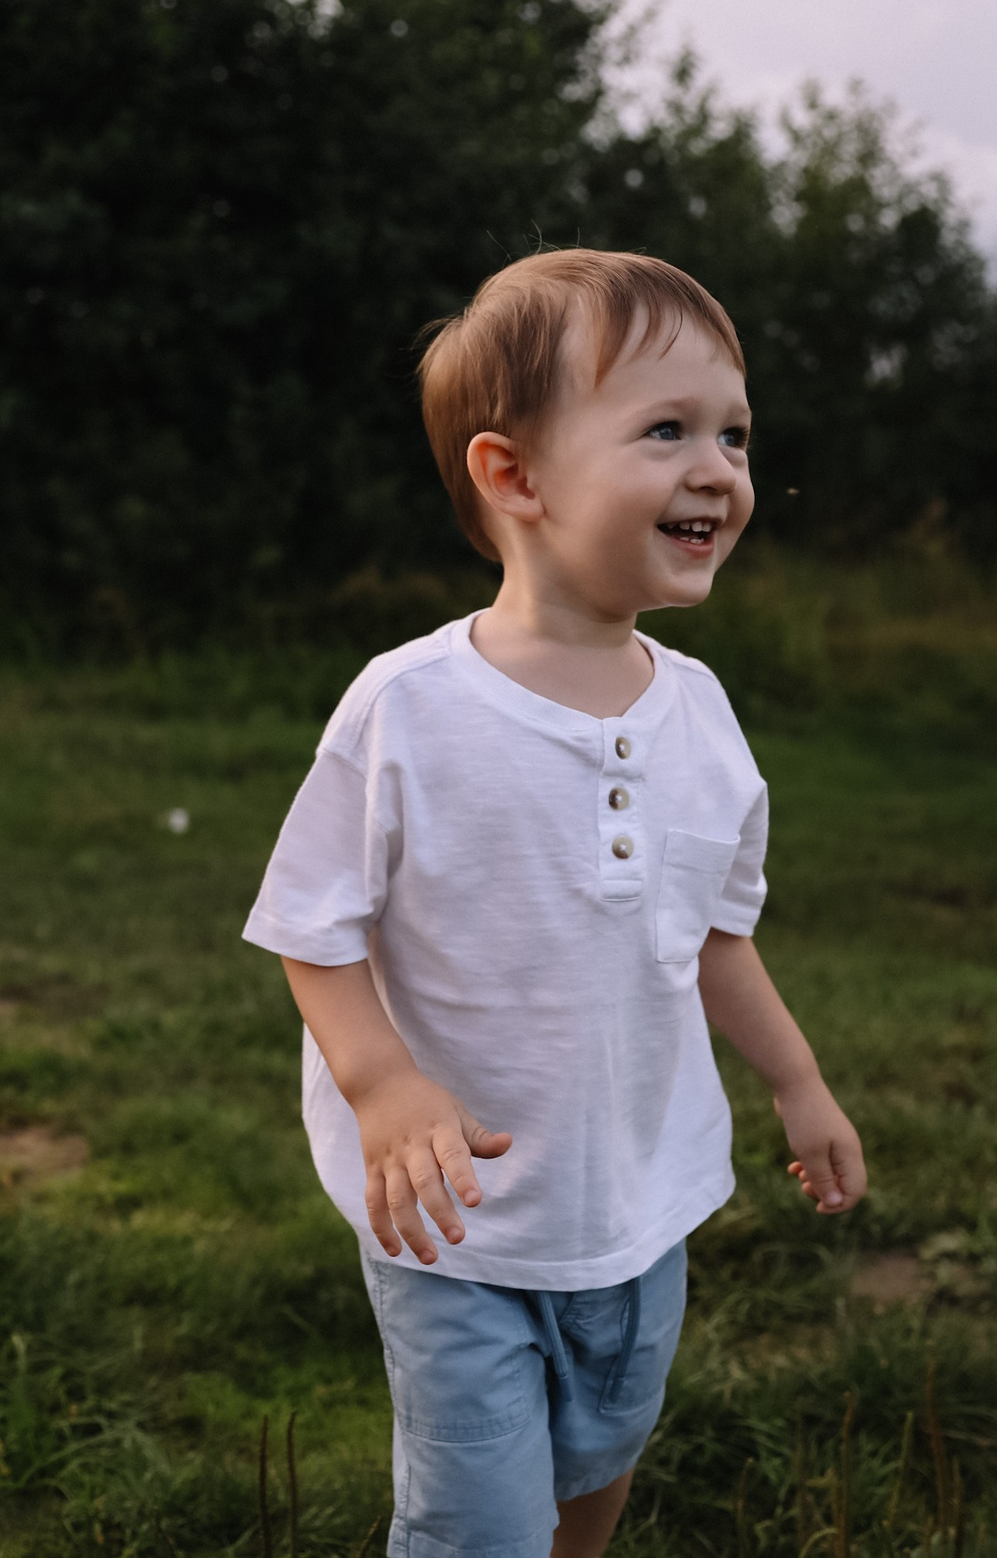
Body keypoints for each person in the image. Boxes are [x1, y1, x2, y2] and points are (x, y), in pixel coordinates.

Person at [243, 250, 867, 1558]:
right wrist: (383, 1087)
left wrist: (799, 1081)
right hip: (458, 1218)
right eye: (665, 429)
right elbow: (313, 923)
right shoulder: (410, 706)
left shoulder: (700, 713)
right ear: (513, 475)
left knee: (597, 1463)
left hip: (636, 1194)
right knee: (478, 1518)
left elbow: (713, 933)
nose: (718, 468)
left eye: (734, 433)